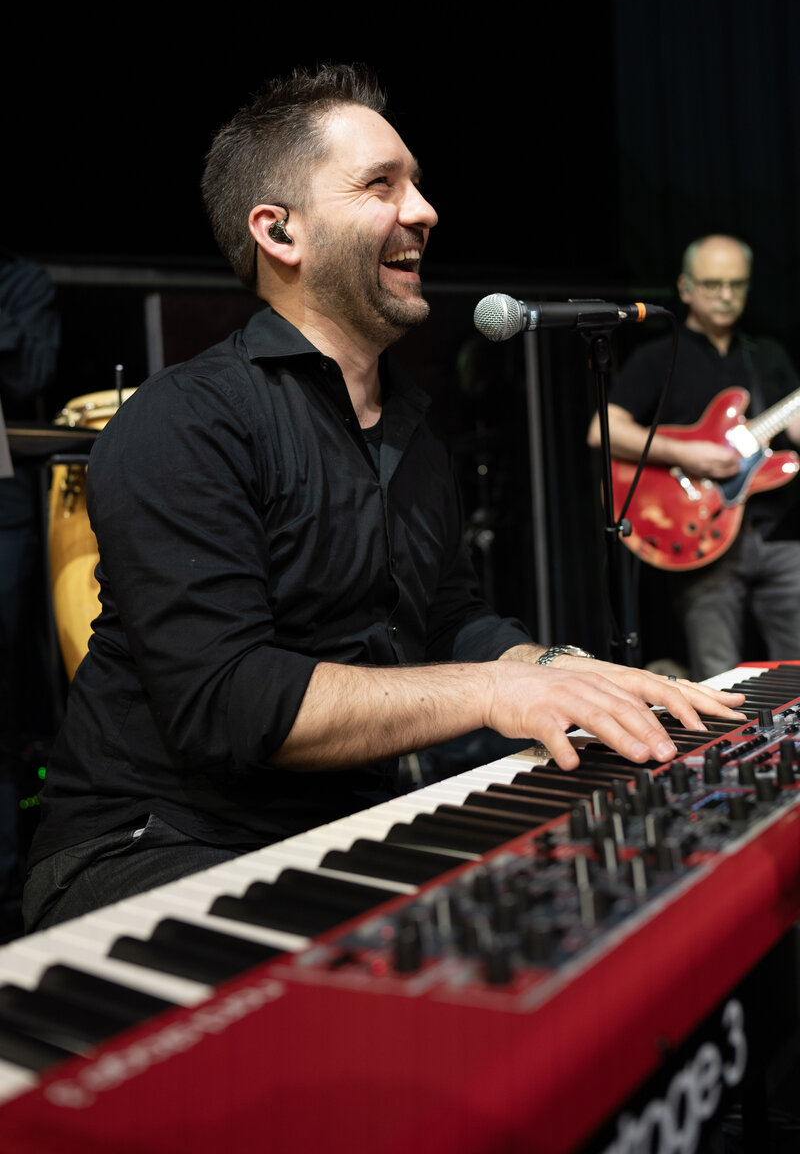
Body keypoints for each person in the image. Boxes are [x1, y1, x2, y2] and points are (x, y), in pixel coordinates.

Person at [22, 67, 744, 933]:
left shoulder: (413, 431)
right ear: (279, 231)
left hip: (340, 832)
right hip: (152, 843)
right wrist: (493, 691)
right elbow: (231, 699)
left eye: (418, 183)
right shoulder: (186, 418)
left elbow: (449, 621)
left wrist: (556, 668)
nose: (424, 210)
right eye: (380, 185)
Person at [587, 233, 800, 678]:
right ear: (685, 288)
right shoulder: (657, 357)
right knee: (718, 677)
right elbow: (602, 430)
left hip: (781, 535)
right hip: (703, 535)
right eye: (712, 284)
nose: (726, 295)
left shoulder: (767, 355)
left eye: (736, 285)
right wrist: (686, 454)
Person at [0, 248, 60, 939]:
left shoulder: (21, 283)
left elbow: (33, 373)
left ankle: (8, 880)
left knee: (5, 687)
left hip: (5, 502)